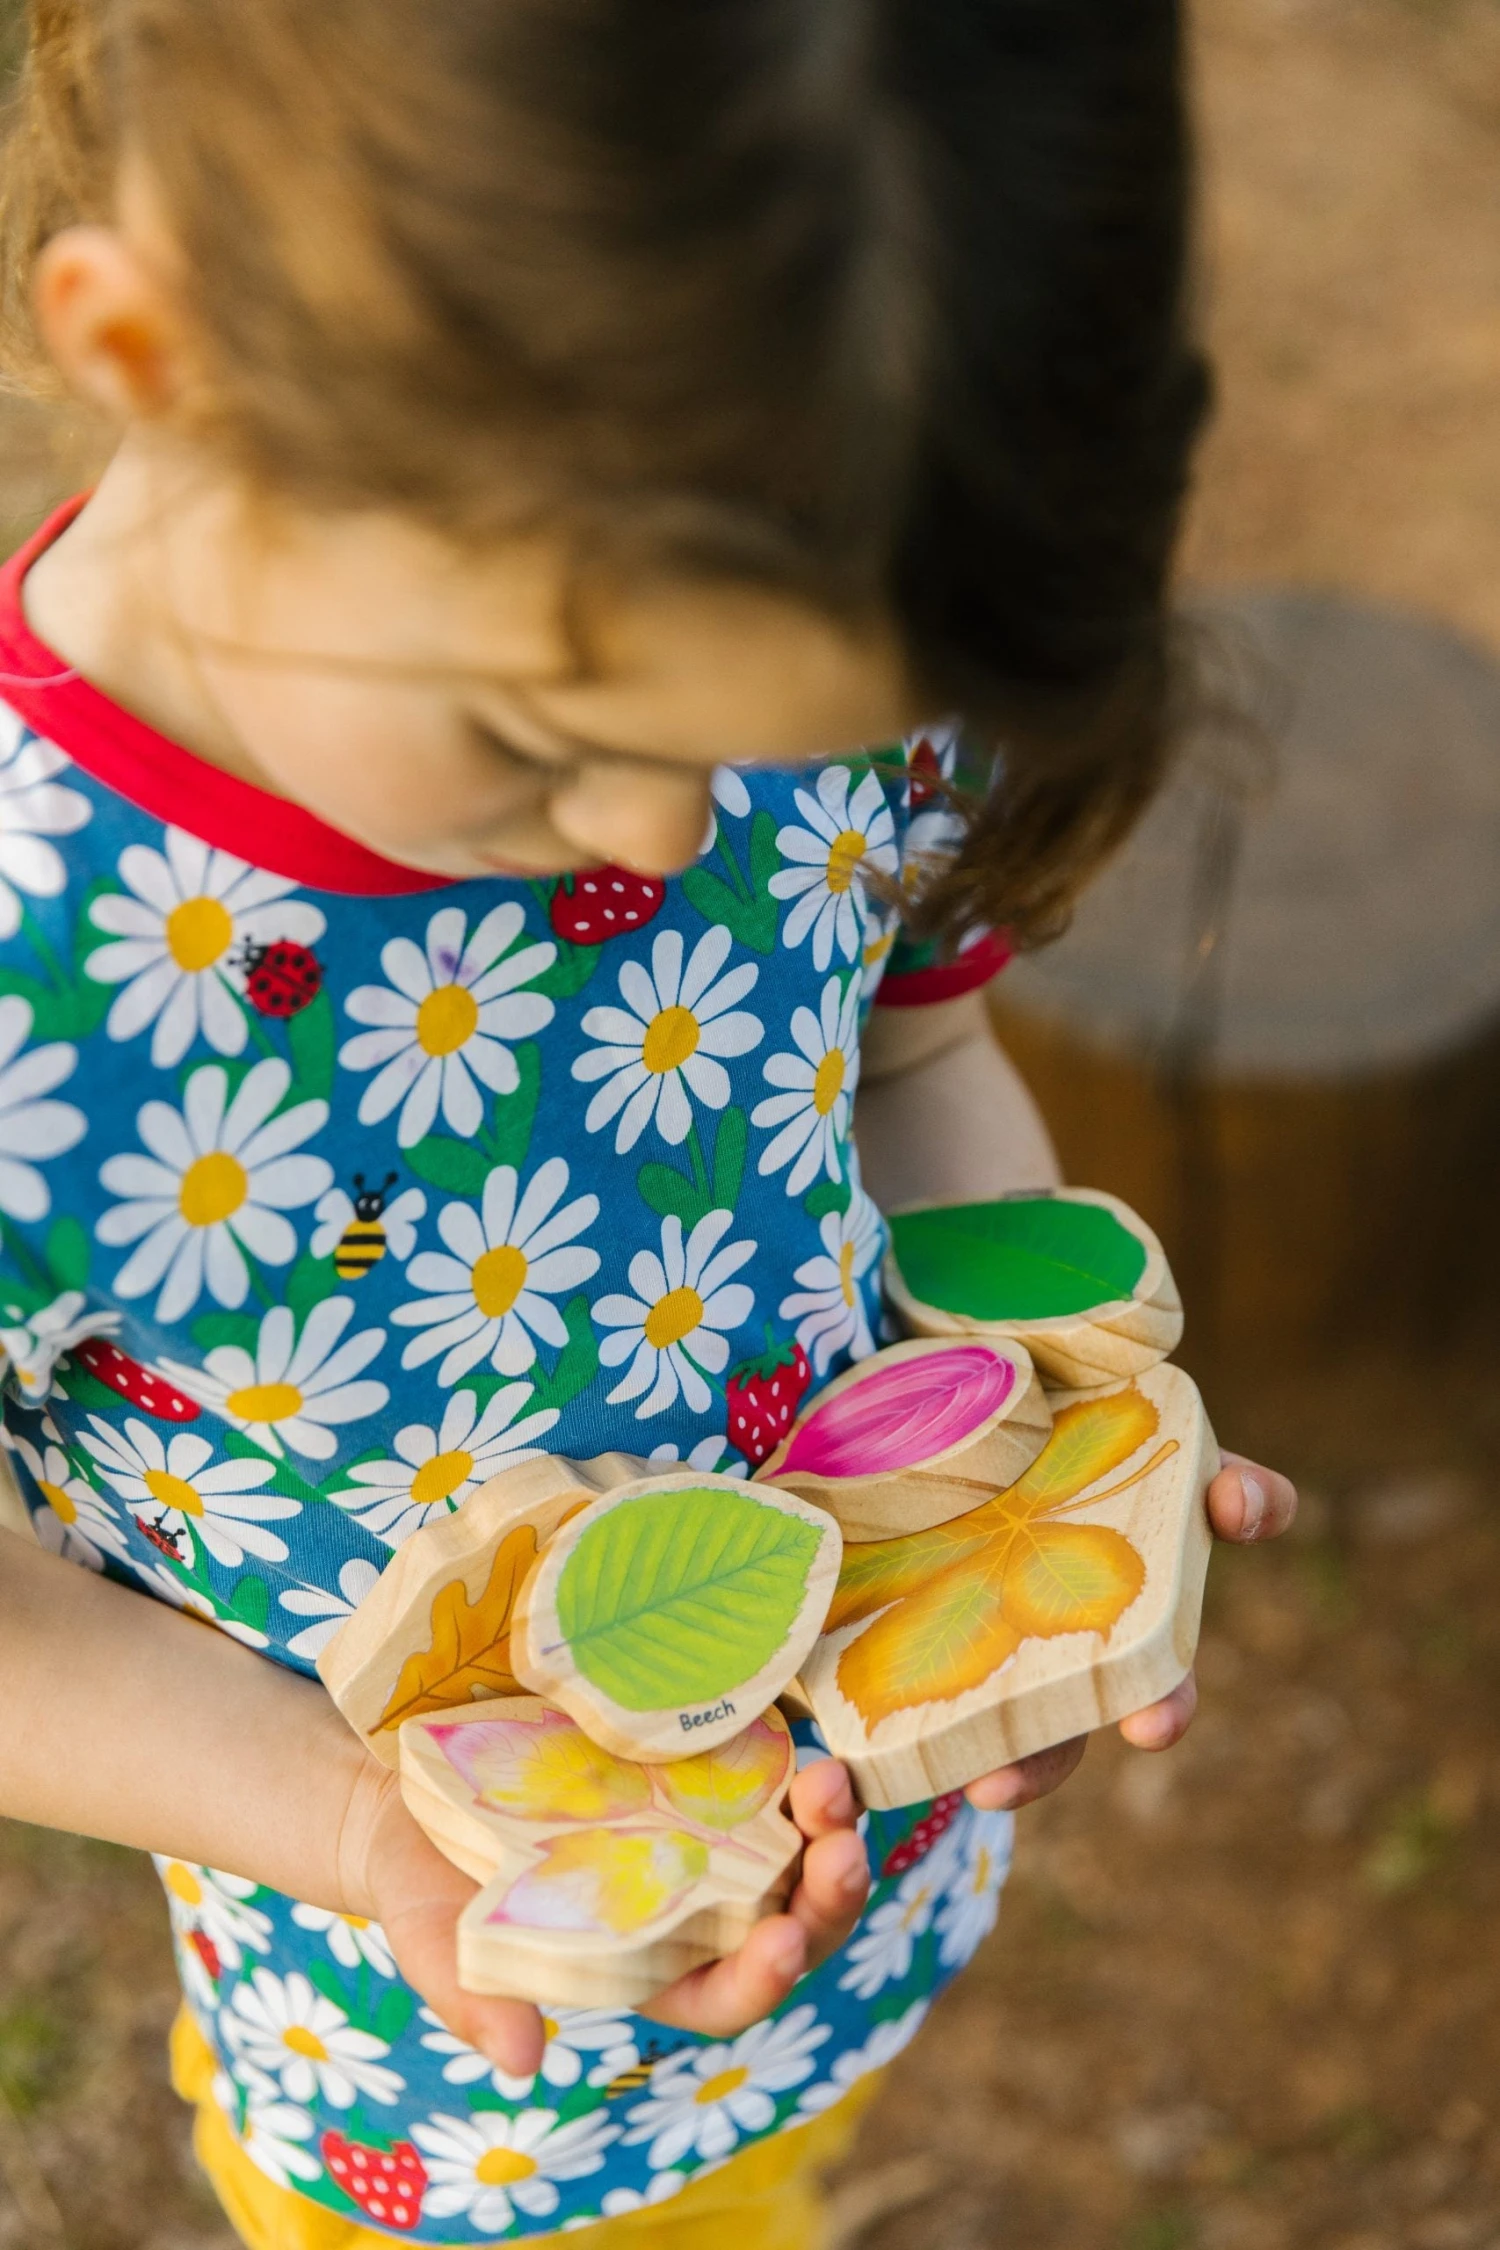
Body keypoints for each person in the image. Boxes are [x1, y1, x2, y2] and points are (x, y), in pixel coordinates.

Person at [0, 2, 1297, 2244]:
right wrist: (364, 1838)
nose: (656, 835)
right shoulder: (40, 981)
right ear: (159, 352)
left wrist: (1041, 1473)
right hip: (465, 2058)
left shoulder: (807, 537)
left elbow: (901, 1061)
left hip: (851, 1888)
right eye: (537, 733)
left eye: (752, 755)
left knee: (782, 2182)